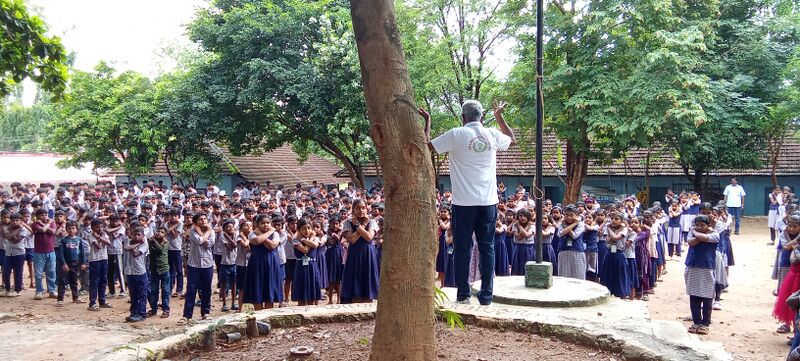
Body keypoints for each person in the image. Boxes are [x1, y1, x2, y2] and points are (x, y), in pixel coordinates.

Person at [423, 99, 516, 306]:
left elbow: (426, 145)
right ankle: (486, 296)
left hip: (463, 203)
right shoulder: (492, 134)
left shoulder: (456, 134)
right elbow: (512, 139)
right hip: (488, 202)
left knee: (462, 248)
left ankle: (463, 294)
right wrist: (499, 116)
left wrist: (427, 121)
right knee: (487, 247)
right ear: (482, 117)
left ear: (463, 117)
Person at [685, 215, 719, 335]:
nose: (699, 227)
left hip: (706, 269)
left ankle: (705, 323)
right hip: (693, 267)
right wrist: (702, 235)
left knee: (707, 297)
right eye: (697, 225)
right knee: (693, 296)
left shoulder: (715, 234)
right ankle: (696, 322)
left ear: (708, 225)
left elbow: (703, 239)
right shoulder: (694, 234)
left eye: (702, 225)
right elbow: (691, 242)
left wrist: (694, 231)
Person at [341, 199, 380, 304]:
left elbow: (368, 237)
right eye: (358, 208)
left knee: (368, 282)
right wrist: (362, 225)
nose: (361, 210)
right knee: (354, 281)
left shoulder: (371, 222)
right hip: (354, 254)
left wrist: (359, 225)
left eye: (363, 208)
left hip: (368, 254)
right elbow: (352, 240)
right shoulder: (347, 223)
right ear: (353, 210)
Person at [179, 213, 216, 324]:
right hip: (194, 264)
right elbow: (200, 241)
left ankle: (205, 312)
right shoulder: (192, 232)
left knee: (206, 289)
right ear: (195, 223)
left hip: (207, 263)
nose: (203, 221)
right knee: (191, 289)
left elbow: (209, 244)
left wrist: (205, 234)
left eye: (205, 219)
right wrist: (207, 232)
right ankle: (187, 315)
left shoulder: (212, 232)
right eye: (200, 219)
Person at [55, 221, 86, 305]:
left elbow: (82, 252)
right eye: (69, 228)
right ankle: (60, 299)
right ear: (66, 229)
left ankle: (75, 297)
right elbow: (60, 253)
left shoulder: (79, 240)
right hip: (66, 264)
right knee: (62, 281)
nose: (71, 230)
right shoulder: (63, 241)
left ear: (76, 230)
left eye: (73, 228)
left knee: (74, 281)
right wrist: (64, 264)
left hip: (75, 263)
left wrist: (83, 262)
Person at [31, 208, 58, 300]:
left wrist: (46, 224)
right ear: (37, 216)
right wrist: (47, 224)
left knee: (51, 272)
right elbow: (42, 230)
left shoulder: (52, 223)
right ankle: (39, 291)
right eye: (42, 215)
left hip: (51, 251)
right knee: (38, 274)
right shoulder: (34, 224)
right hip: (39, 252)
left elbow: (53, 232)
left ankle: (52, 290)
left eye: (46, 215)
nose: (45, 216)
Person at [123, 227, 149, 323]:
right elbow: (126, 248)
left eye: (139, 235)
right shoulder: (129, 241)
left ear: (143, 236)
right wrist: (137, 243)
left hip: (139, 272)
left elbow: (135, 253)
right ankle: (133, 312)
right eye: (135, 235)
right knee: (133, 294)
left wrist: (133, 246)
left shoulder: (145, 244)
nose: (136, 236)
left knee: (142, 294)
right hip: (130, 272)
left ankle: (142, 313)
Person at [558, 205, 587, 280]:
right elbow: (560, 234)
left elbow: (574, 236)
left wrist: (572, 225)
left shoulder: (581, 224)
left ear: (576, 215)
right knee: (563, 276)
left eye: (571, 215)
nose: (568, 217)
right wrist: (572, 224)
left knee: (578, 276)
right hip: (563, 251)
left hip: (577, 251)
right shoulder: (561, 224)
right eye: (566, 215)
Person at [148, 227, 171, 318]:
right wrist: (152, 240)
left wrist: (153, 240)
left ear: (165, 235)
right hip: (154, 269)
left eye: (162, 232)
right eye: (158, 231)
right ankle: (154, 309)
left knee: (165, 290)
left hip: (164, 269)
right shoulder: (150, 242)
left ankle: (166, 310)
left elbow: (160, 249)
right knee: (154, 290)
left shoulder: (166, 242)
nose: (159, 233)